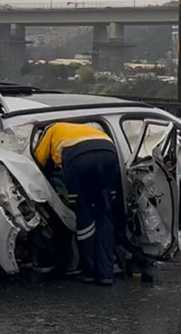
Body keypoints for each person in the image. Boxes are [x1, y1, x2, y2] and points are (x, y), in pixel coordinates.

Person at [33, 122, 123, 285]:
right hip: (108, 154)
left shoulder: (52, 129)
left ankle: (89, 272)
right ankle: (106, 274)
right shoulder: (89, 128)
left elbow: (38, 161)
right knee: (105, 214)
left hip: (78, 160)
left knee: (85, 217)